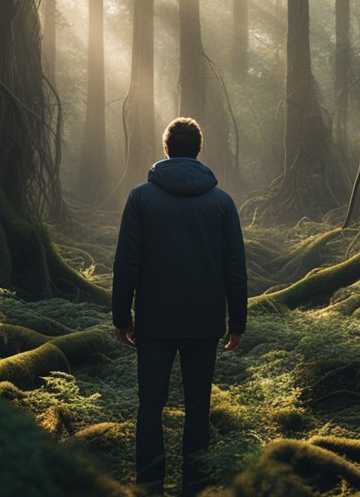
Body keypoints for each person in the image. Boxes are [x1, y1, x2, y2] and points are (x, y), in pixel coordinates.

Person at [112, 117, 248, 495]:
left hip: (154, 322)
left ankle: (150, 487)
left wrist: (121, 317)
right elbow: (234, 267)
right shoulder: (222, 203)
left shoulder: (141, 198)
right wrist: (237, 322)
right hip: (204, 323)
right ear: (198, 150)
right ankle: (195, 487)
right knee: (198, 408)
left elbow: (126, 262)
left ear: (167, 149)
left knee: (150, 406)